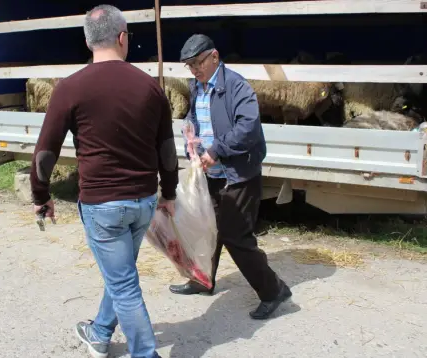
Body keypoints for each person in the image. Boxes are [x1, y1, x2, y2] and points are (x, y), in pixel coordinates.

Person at [28, 4, 178, 358]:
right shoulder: (151, 87)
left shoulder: (70, 87)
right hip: (142, 201)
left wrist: (41, 195)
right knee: (122, 272)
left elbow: (45, 151)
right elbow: (167, 151)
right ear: (123, 38)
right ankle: (99, 332)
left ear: (87, 41)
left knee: (123, 283)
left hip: (102, 204)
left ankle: (145, 354)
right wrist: (168, 193)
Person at [169, 34, 292, 320]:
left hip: (238, 174)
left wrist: (217, 150)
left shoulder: (237, 86)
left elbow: (248, 127)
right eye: (189, 65)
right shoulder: (196, 88)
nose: (195, 69)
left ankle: (274, 291)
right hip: (210, 173)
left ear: (214, 56)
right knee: (207, 229)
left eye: (198, 62)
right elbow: (199, 119)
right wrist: (191, 132)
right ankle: (203, 280)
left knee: (237, 236)